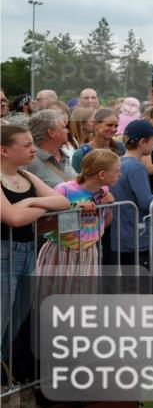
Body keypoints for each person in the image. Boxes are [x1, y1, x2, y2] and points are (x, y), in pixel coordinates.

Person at [1, 124, 71, 364]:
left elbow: (62, 202)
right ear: (4, 150)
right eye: (27, 145)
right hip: (4, 254)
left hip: (29, 252)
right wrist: (41, 206)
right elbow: (13, 218)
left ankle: (6, 382)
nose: (33, 149)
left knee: (16, 321)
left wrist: (30, 202)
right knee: (2, 322)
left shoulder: (26, 176)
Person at [37, 149, 120, 296]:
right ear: (102, 174)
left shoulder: (103, 190)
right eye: (117, 171)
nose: (120, 175)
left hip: (89, 251)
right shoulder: (64, 190)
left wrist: (108, 207)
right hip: (62, 251)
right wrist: (74, 209)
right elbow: (44, 225)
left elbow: (103, 223)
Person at [108, 120, 153, 276]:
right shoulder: (137, 167)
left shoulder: (119, 162)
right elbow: (147, 204)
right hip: (140, 239)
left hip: (122, 237)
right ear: (142, 142)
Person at [24, 109, 74, 188]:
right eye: (63, 127)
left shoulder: (65, 155)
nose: (67, 131)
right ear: (51, 133)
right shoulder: (29, 161)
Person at [71, 107, 125, 173]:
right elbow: (76, 181)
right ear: (96, 124)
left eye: (116, 126)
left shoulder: (121, 148)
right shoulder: (81, 153)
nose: (113, 129)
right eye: (109, 125)